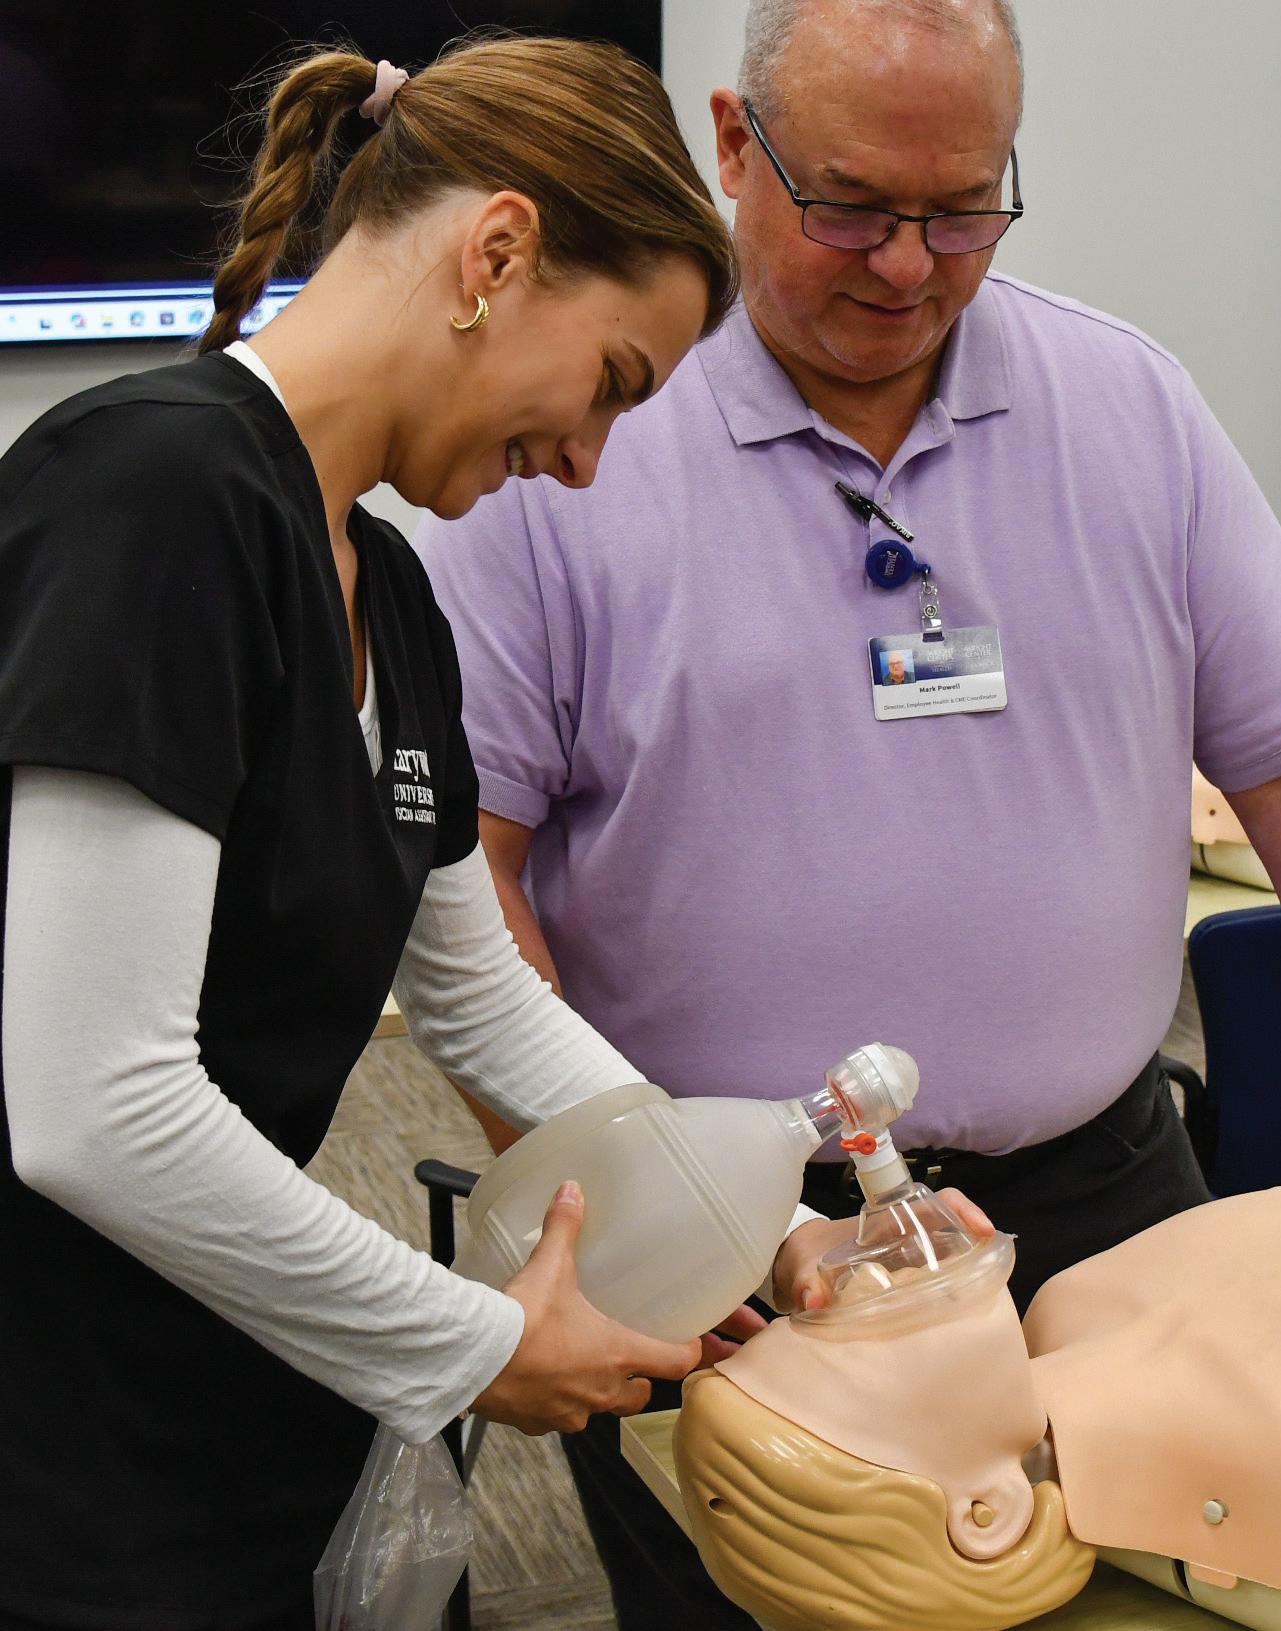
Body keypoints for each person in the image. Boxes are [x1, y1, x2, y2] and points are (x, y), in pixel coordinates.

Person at [415, 1, 1281, 1626]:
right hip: (743, 1254)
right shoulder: (578, 431)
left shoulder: (1127, 410)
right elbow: (468, 891)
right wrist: (656, 1218)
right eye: (852, 206)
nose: (903, 266)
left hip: (1102, 1202)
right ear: (732, 148)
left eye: (958, 213)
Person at [0, 35, 827, 1631]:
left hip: (218, 1354)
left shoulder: (390, 595)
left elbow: (478, 1000)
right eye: (609, 386)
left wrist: (780, 1231)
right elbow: (94, 1109)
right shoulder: (154, 502)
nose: (583, 463)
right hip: (50, 1427)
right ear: (496, 254)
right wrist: (480, 1344)